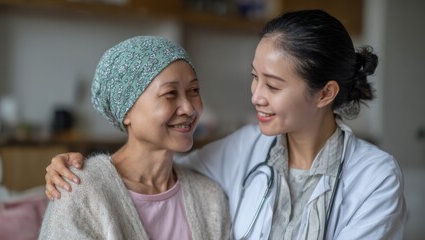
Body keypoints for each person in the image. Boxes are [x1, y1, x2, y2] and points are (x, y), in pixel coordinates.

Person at [44, 10, 406, 239]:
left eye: (273, 85)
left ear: (325, 93)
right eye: (254, 77)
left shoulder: (374, 177)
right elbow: (154, 177)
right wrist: (81, 169)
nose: (256, 96)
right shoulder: (245, 147)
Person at [39, 36, 230, 239]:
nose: (189, 108)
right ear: (126, 111)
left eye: (194, 90)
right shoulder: (78, 190)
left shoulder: (211, 199)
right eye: (170, 93)